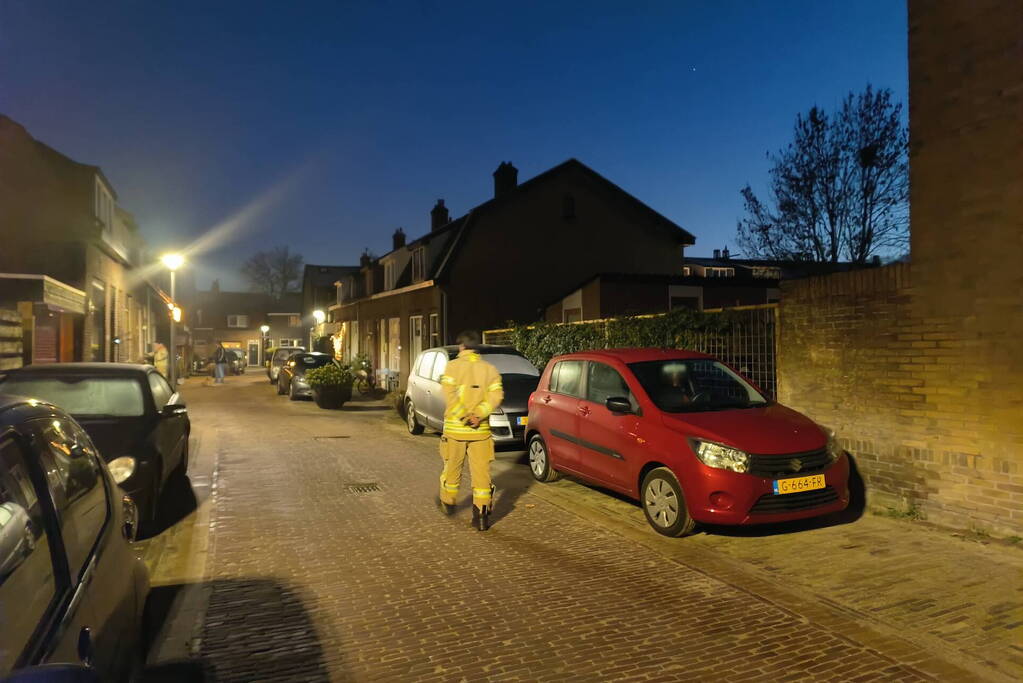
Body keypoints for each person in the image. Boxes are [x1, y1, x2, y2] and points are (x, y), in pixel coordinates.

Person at [437, 330, 504, 531]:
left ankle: (448, 502)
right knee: (482, 475)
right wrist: (478, 415)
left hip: (456, 431)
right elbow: (496, 396)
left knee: (452, 468)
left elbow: (449, 395)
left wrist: (464, 416)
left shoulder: (452, 367)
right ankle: (481, 517)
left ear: (461, 347)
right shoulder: (490, 369)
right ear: (477, 348)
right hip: (481, 432)